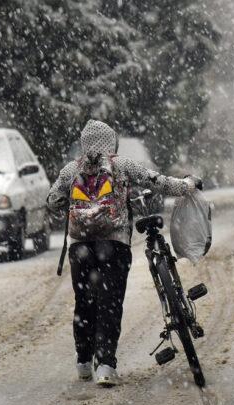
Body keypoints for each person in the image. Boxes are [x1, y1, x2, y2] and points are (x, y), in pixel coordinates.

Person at [47, 120, 199, 387]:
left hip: (80, 247)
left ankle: (83, 363)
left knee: (84, 302)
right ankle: (106, 366)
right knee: (110, 302)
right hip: (113, 245)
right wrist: (187, 185)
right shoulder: (123, 165)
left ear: (84, 143)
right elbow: (159, 182)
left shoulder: (72, 169)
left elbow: (52, 200)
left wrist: (75, 204)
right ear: (112, 142)